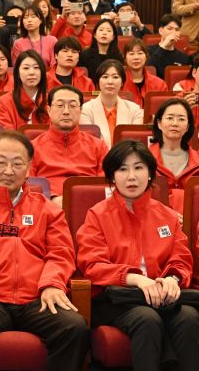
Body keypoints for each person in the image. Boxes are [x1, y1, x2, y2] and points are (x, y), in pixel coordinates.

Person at [0, 130, 89, 371]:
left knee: (75, 327)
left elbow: (62, 253)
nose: (9, 171)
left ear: (29, 168)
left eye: (17, 163)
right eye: (1, 162)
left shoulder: (48, 210)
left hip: (37, 298)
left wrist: (52, 283)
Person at [77, 139, 199, 371]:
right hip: (116, 300)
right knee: (147, 318)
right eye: (122, 169)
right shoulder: (98, 215)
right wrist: (136, 279)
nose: (131, 176)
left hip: (162, 297)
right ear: (112, 177)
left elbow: (181, 258)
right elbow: (92, 264)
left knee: (189, 317)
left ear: (151, 174)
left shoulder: (167, 216)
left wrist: (173, 280)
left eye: (138, 168)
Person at [30, 85, 108, 207]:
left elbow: (106, 185)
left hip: (89, 207)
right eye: (60, 105)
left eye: (72, 106)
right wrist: (50, 199)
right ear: (49, 110)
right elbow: (29, 185)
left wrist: (78, 200)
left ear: (81, 110)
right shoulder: (33, 147)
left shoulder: (98, 146)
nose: (66, 111)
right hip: (45, 206)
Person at [149, 98, 199, 213]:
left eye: (181, 119)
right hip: (154, 220)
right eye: (170, 118)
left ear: (187, 127)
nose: (175, 123)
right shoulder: (144, 160)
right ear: (159, 123)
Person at [81, 60, 143, 147]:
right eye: (105, 77)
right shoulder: (85, 110)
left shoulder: (134, 110)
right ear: (98, 81)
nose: (110, 82)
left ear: (122, 82)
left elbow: (136, 143)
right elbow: (87, 143)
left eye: (115, 77)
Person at [0, 49, 48, 130]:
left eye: (36, 67)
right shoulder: (4, 102)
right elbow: (8, 136)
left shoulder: (52, 101)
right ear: (18, 74)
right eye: (26, 68)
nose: (31, 72)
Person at [122, 38, 168, 109]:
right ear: (125, 58)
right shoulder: (118, 83)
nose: (136, 57)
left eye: (140, 53)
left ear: (146, 57)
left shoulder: (159, 84)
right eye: (131, 54)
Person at [12, 3, 57, 68]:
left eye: (33, 16)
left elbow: (55, 66)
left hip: (49, 76)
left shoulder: (52, 40)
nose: (29, 20)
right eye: (25, 17)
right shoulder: (18, 43)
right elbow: (17, 68)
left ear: (41, 20)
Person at [79, 19, 123, 84]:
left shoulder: (118, 57)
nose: (104, 33)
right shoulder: (85, 55)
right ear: (95, 35)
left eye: (108, 31)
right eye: (101, 30)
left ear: (113, 37)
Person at [147, 14, 191, 79]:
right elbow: (149, 68)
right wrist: (164, 45)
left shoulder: (183, 57)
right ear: (161, 31)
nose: (174, 32)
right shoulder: (149, 50)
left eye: (177, 29)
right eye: (170, 29)